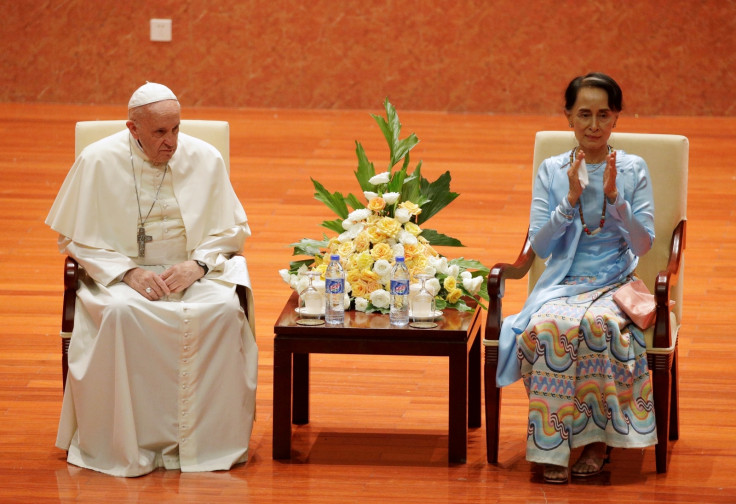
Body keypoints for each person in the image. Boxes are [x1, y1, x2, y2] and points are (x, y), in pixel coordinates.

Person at [46, 82, 258, 477]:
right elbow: (73, 238)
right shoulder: (97, 161)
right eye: (160, 132)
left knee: (223, 311)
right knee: (123, 314)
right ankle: (133, 443)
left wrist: (197, 265)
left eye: (176, 129)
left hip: (191, 269)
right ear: (133, 129)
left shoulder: (204, 157)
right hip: (120, 272)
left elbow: (231, 231)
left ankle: (204, 444)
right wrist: (127, 271)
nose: (172, 142)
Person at [495, 73, 657, 483]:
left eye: (604, 114)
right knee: (546, 327)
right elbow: (542, 247)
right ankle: (553, 441)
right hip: (564, 282)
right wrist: (568, 201)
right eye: (584, 114)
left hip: (615, 281)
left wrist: (617, 200)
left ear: (616, 118)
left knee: (597, 326)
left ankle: (598, 442)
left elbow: (643, 246)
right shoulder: (552, 170)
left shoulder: (634, 169)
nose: (593, 125)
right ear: (568, 116)